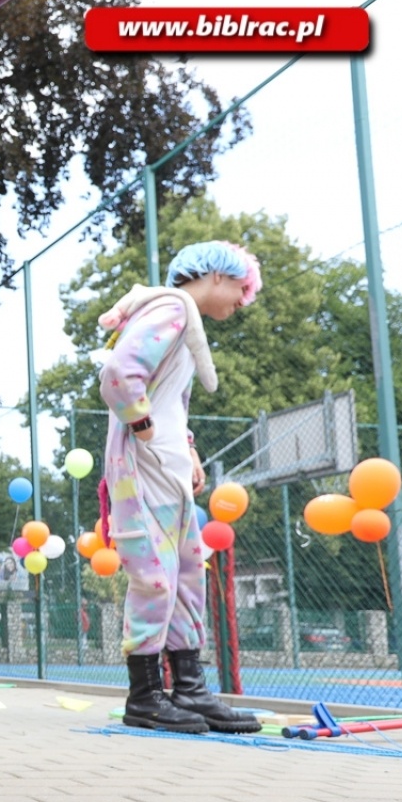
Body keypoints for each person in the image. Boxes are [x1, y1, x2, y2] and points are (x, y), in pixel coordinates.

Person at [98, 240, 262, 735]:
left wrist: (185, 447)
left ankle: (189, 688)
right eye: (242, 287)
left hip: (168, 465)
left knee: (187, 571)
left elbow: (174, 402)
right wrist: (145, 430)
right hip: (143, 466)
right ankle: (145, 696)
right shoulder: (171, 309)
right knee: (155, 575)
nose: (243, 299)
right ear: (215, 274)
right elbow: (119, 374)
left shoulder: (186, 324)